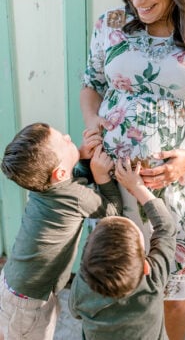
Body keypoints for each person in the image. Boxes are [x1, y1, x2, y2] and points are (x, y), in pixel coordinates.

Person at [79, 0, 185, 339]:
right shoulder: (111, 23)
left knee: (173, 288)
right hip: (110, 180)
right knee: (113, 278)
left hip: (177, 183)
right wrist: (93, 119)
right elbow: (92, 83)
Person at [0, 122, 123, 340]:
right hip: (30, 301)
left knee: (10, 331)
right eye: (64, 142)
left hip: (13, 283)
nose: (68, 136)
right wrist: (102, 176)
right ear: (60, 172)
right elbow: (112, 211)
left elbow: (70, 180)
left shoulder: (42, 186)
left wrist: (81, 158)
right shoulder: (75, 198)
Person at [69, 157, 176, 340]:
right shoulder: (153, 280)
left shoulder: (83, 285)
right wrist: (137, 187)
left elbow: (75, 312)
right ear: (145, 267)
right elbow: (166, 227)